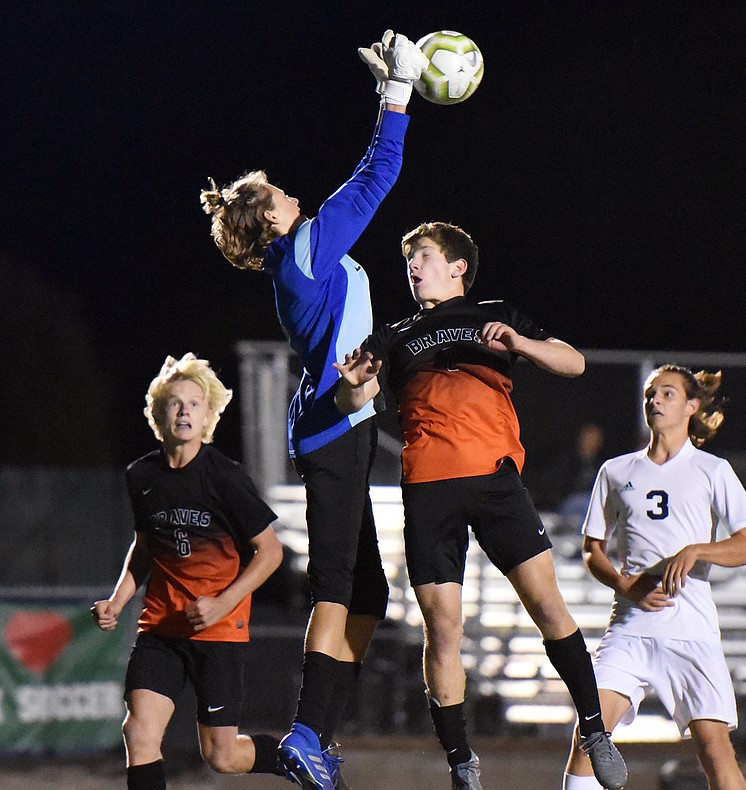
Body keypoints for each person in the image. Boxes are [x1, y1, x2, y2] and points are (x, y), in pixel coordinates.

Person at [198, 29, 428, 790]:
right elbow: (378, 172)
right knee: (339, 588)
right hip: (334, 434)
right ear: (269, 217)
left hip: (341, 427)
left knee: (367, 591)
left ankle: (312, 735)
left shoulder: (296, 258)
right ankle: (305, 732)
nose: (292, 194)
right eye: (279, 194)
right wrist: (396, 94)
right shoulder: (302, 250)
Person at [333, 221, 627, 790]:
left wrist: (520, 343)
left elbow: (574, 362)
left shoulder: (494, 312)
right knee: (443, 630)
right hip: (427, 489)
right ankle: (461, 763)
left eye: (423, 256)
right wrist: (352, 384)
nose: (413, 267)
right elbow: (357, 396)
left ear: (457, 266)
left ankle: (594, 728)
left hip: (495, 482)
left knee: (548, 605)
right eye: (410, 260)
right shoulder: (392, 335)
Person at [561, 365, 746, 790]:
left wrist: (697, 551)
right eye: (651, 393)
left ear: (692, 406)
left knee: (715, 751)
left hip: (689, 629)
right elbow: (591, 549)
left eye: (667, 393)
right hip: (630, 629)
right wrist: (623, 584)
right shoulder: (616, 471)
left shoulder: (712, 470)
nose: (654, 400)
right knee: (589, 737)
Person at [91, 354, 285, 790]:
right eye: (175, 403)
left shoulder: (226, 478)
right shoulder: (141, 475)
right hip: (160, 627)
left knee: (222, 755)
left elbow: (269, 553)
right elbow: (144, 548)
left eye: (194, 404)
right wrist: (118, 601)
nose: (184, 411)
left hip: (218, 631)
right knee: (138, 732)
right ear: (158, 413)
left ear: (209, 415)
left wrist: (222, 604)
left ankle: (295, 758)